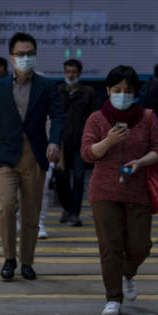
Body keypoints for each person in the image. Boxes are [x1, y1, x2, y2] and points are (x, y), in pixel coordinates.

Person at [81, 65, 158, 315]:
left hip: (137, 190)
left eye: (127, 90)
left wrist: (141, 162)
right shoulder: (96, 119)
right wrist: (108, 141)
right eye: (117, 90)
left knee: (141, 244)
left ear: (135, 93)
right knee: (110, 245)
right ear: (108, 91)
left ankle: (127, 273)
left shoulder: (148, 117)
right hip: (104, 191)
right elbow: (86, 153)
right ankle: (113, 297)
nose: (122, 94)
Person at [0, 32, 64, 281]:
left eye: (29, 54)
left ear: (35, 56)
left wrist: (54, 142)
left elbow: (58, 116)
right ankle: (9, 259)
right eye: (20, 54)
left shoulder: (47, 86)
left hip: (36, 154)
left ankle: (27, 261)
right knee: (6, 207)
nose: (25, 58)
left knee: (31, 212)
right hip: (6, 154)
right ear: (12, 57)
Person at [55, 59, 96, 226]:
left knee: (79, 179)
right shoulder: (57, 91)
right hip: (61, 145)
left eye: (74, 72)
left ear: (79, 73)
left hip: (80, 144)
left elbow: (94, 119)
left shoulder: (88, 92)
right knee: (61, 179)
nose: (70, 75)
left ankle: (75, 213)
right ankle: (67, 207)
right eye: (68, 72)